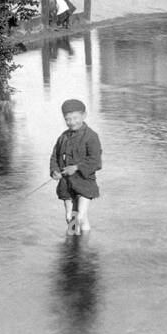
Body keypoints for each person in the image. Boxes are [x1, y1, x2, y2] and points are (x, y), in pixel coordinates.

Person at [50, 99, 101, 235]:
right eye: (68, 119)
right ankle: (73, 245)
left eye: (75, 118)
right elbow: (54, 157)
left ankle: (84, 247)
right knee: (70, 218)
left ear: (84, 116)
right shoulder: (63, 137)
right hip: (66, 185)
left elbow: (96, 161)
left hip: (84, 183)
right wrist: (54, 171)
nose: (72, 122)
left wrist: (76, 167)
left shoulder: (91, 136)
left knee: (80, 217)